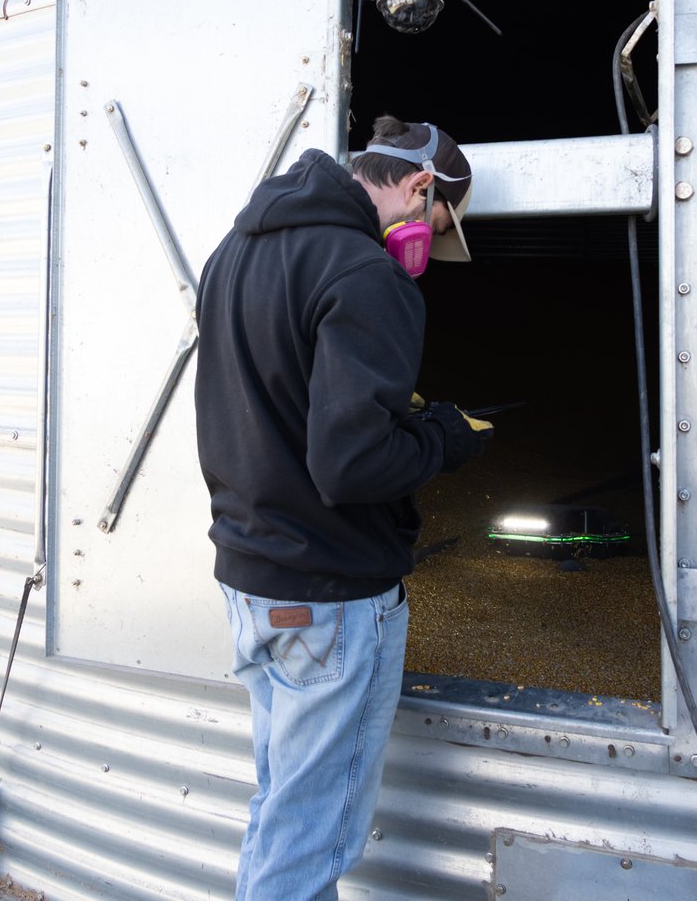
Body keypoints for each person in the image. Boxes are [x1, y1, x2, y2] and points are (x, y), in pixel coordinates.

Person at [194, 115, 492, 901]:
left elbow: (283, 408)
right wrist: (441, 435)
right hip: (330, 596)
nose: (429, 236)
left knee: (285, 810)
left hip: (253, 581)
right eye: (437, 219)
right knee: (311, 839)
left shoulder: (237, 252)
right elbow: (354, 463)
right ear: (421, 187)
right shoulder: (367, 275)